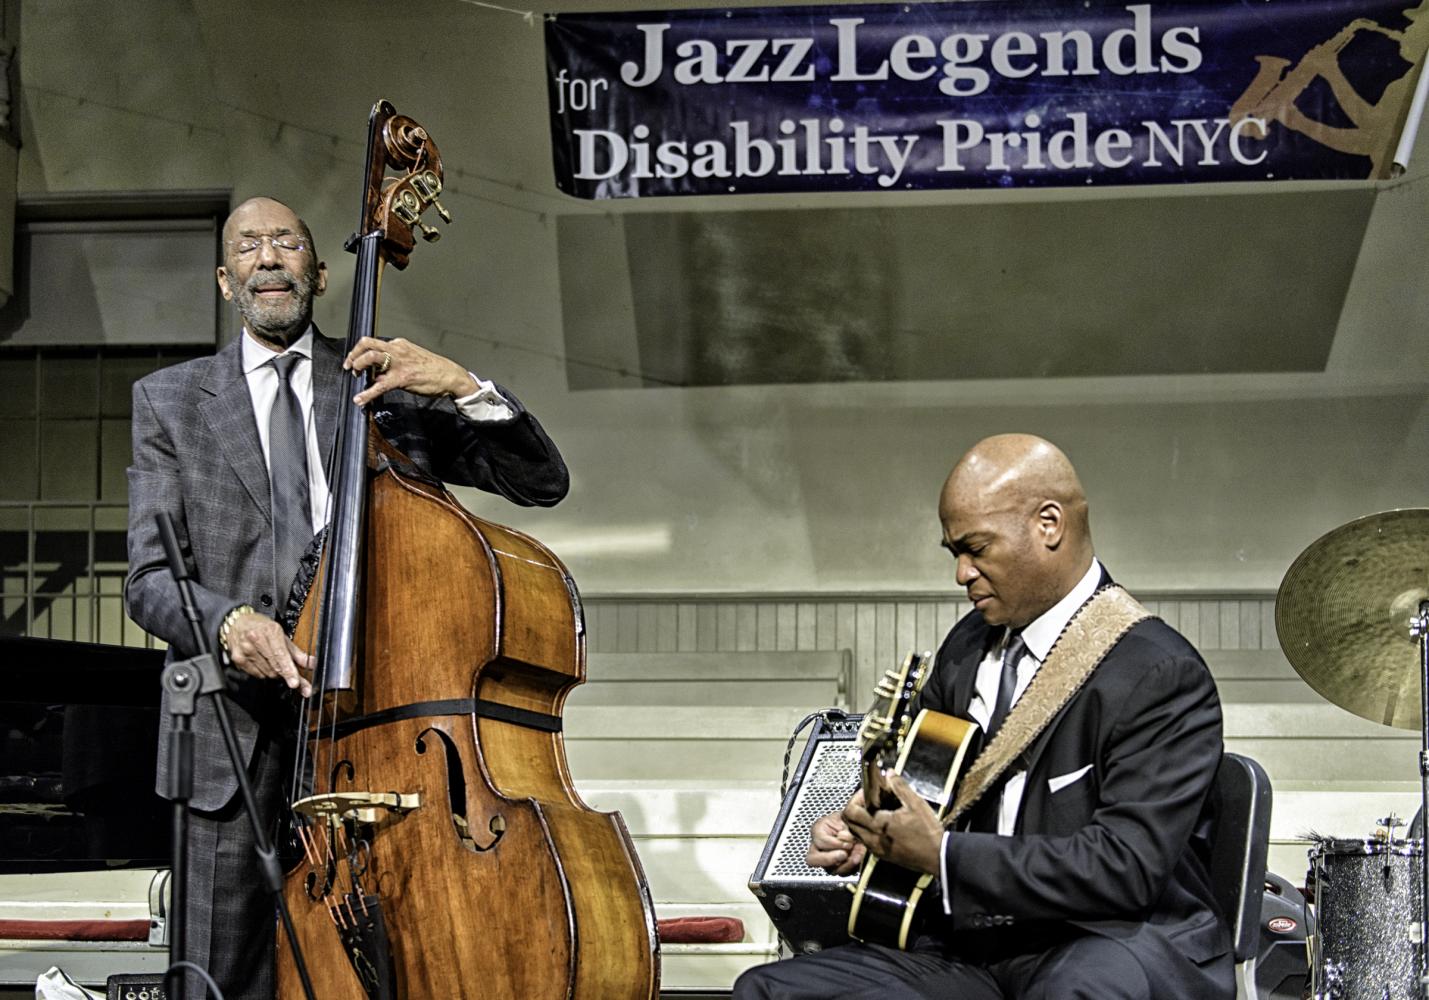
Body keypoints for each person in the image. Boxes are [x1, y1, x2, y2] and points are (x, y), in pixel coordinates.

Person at [124, 196, 569, 1000]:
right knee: (221, 979)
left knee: (395, 961)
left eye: (287, 242)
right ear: (225, 281)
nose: (269, 257)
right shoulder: (169, 402)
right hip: (234, 733)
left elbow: (539, 483)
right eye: (249, 246)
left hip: (382, 722)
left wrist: (464, 386)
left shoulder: (382, 386)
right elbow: (150, 580)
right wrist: (229, 624)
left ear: (319, 272)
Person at [734, 434, 1232, 999]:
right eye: (954, 554)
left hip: (1112, 940)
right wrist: (867, 829)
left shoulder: (1158, 673)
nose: (961, 573)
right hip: (974, 950)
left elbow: (1126, 867)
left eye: (976, 548)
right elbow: (920, 792)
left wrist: (943, 856)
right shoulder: (967, 647)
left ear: (1049, 524)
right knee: (772, 991)